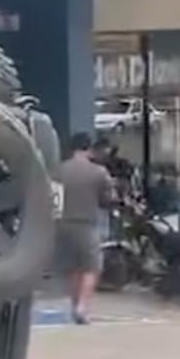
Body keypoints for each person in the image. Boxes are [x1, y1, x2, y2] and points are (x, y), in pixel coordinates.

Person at [56, 132, 115, 325]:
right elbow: (108, 199)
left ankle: (74, 306)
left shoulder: (58, 171)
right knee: (91, 268)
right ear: (89, 149)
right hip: (87, 224)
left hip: (63, 224)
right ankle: (82, 306)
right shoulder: (98, 172)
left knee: (72, 268)